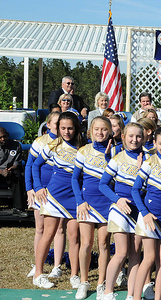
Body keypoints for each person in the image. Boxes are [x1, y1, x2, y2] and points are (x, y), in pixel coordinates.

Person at [32, 112, 87, 289]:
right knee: (48, 234)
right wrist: (38, 187)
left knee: (74, 236)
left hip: (75, 197)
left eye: (70, 128)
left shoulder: (83, 146)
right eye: (62, 128)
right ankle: (39, 274)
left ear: (76, 127)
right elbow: (35, 165)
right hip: (54, 196)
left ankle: (74, 275)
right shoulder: (53, 144)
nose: (66, 131)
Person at [99, 122, 148, 299]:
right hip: (120, 209)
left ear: (144, 138)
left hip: (139, 211)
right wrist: (118, 200)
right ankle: (107, 292)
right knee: (121, 252)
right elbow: (103, 185)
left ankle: (132, 294)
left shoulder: (149, 159)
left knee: (136, 255)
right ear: (124, 137)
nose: (134, 140)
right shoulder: (117, 158)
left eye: (138, 136)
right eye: (131, 136)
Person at [132, 126, 161, 300]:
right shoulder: (149, 162)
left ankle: (158, 297)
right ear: (154, 143)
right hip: (149, 216)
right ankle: (136, 296)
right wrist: (144, 213)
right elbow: (135, 190)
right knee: (149, 258)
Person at [71, 116, 116, 299]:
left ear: (110, 132)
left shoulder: (115, 152)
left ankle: (101, 283)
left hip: (107, 204)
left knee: (104, 243)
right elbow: (75, 178)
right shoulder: (83, 151)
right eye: (96, 129)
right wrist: (80, 201)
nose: (100, 133)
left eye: (104, 129)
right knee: (86, 244)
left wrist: (108, 157)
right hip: (86, 204)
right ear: (90, 131)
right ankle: (83, 281)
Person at [26, 112, 66, 280]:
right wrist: (31, 189)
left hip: (59, 192)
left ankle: (57, 266)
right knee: (41, 228)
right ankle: (38, 264)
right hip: (41, 191)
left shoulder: (68, 142)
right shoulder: (40, 142)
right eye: (56, 124)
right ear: (48, 125)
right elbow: (29, 166)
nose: (58, 127)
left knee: (60, 228)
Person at [0, 127, 24, 215]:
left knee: (18, 176)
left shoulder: (16, 145)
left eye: (4, 137)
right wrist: (1, 172)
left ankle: (18, 209)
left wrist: (11, 169)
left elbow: (17, 163)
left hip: (10, 171)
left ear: (8, 135)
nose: (3, 139)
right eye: (0, 138)